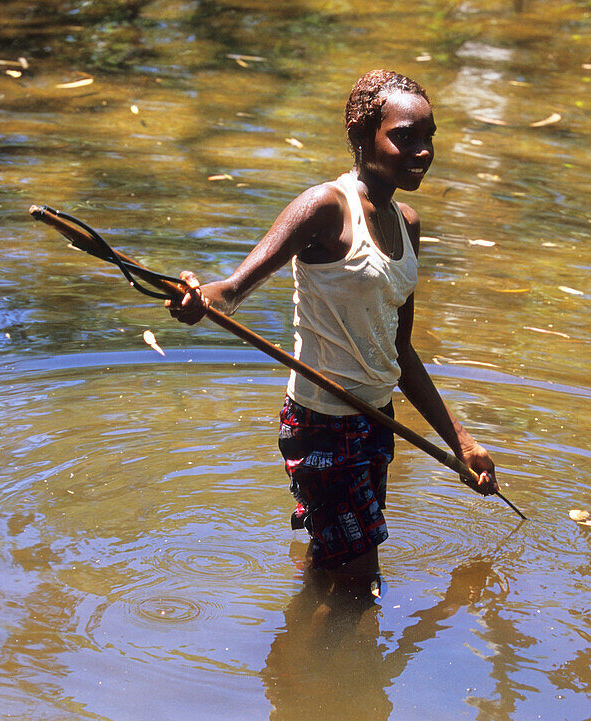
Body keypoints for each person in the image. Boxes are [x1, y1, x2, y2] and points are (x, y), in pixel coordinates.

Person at [167, 69, 498, 588]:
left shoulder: (408, 224)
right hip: (323, 424)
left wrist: (460, 442)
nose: (422, 151)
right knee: (361, 582)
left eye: (428, 137)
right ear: (364, 137)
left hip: (376, 421)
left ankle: (294, 657)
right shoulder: (326, 208)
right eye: (404, 136)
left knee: (339, 567)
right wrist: (197, 296)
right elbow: (230, 291)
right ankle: (308, 664)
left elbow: (399, 351)